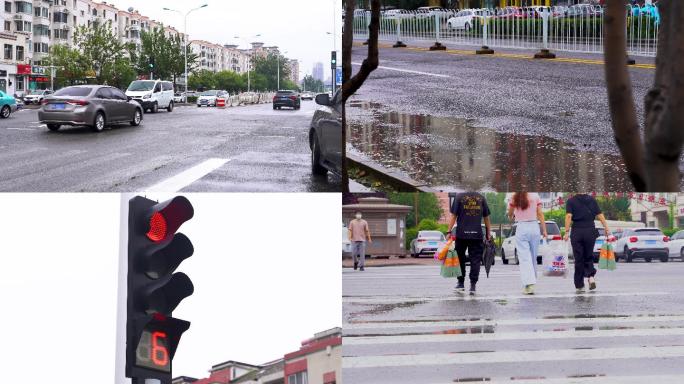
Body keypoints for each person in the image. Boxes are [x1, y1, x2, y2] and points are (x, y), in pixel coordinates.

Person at [564, 194, 612, 293]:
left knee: (578, 258)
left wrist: (566, 232)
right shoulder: (592, 200)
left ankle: (580, 285)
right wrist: (606, 227)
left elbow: (569, 216)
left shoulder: (571, 201)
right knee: (588, 256)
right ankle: (590, 277)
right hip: (590, 230)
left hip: (577, 231)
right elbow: (599, 214)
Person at [449, 192, 492, 295]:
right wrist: (488, 233)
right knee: (475, 260)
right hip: (476, 235)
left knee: (460, 258)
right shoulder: (481, 198)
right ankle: (473, 285)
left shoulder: (459, 197)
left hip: (461, 234)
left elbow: (454, 216)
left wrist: (448, 231)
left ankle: (460, 283)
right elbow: (486, 217)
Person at [508, 192, 547, 295]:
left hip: (522, 227)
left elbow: (510, 213)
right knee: (533, 257)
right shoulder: (535, 196)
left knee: (525, 258)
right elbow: (540, 214)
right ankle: (532, 282)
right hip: (534, 226)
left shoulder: (514, 196)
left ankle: (529, 284)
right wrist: (544, 230)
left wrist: (511, 216)